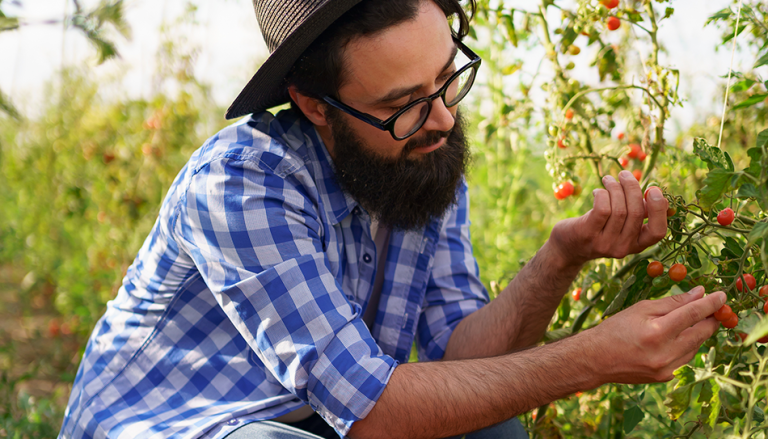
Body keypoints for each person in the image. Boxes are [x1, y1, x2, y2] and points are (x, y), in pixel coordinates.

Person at [58, 0, 727, 438]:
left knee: (491, 426)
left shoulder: (417, 160)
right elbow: (372, 409)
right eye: (405, 102)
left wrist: (560, 257)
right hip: (185, 424)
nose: (442, 117)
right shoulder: (243, 182)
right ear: (317, 106)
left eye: (446, 78)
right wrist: (589, 359)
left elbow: (462, 355)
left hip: (311, 421)